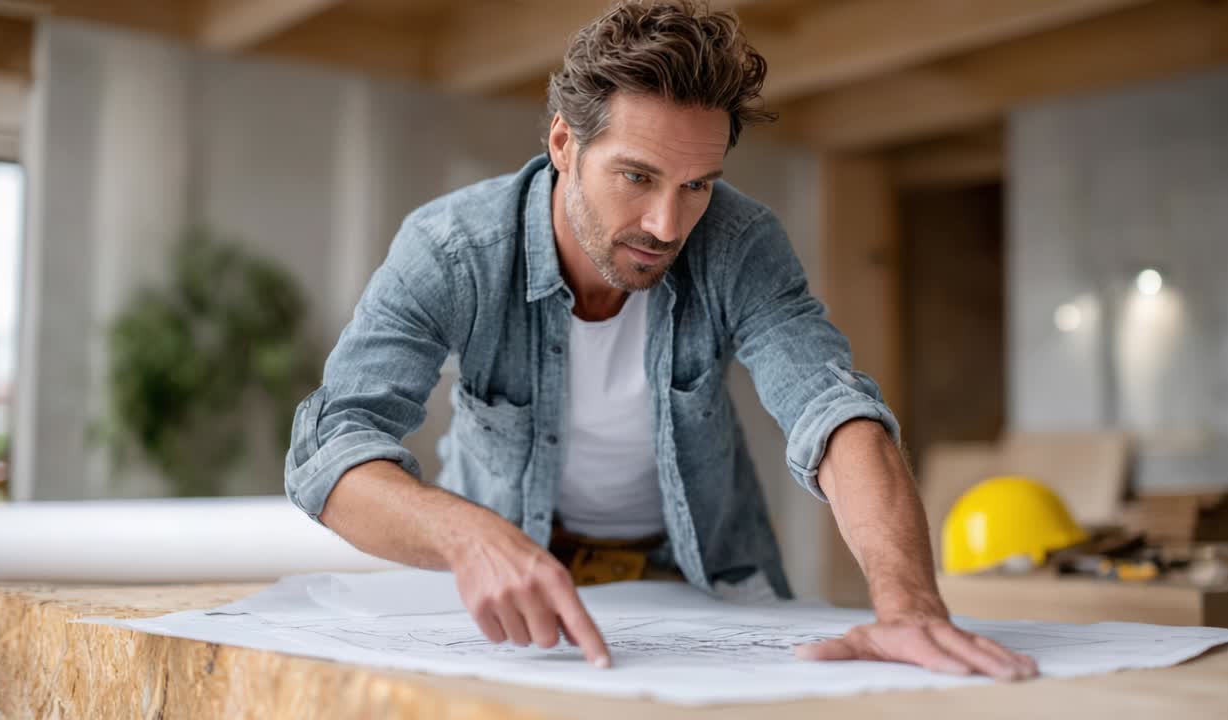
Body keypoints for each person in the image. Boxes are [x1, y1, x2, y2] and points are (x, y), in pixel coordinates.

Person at [285, 0, 1036, 680]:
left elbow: (833, 413)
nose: (667, 226)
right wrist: (468, 536)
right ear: (563, 143)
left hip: (703, 580)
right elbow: (331, 446)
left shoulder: (740, 243)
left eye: (697, 184)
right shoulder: (451, 251)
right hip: (511, 585)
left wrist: (909, 607)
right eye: (637, 177)